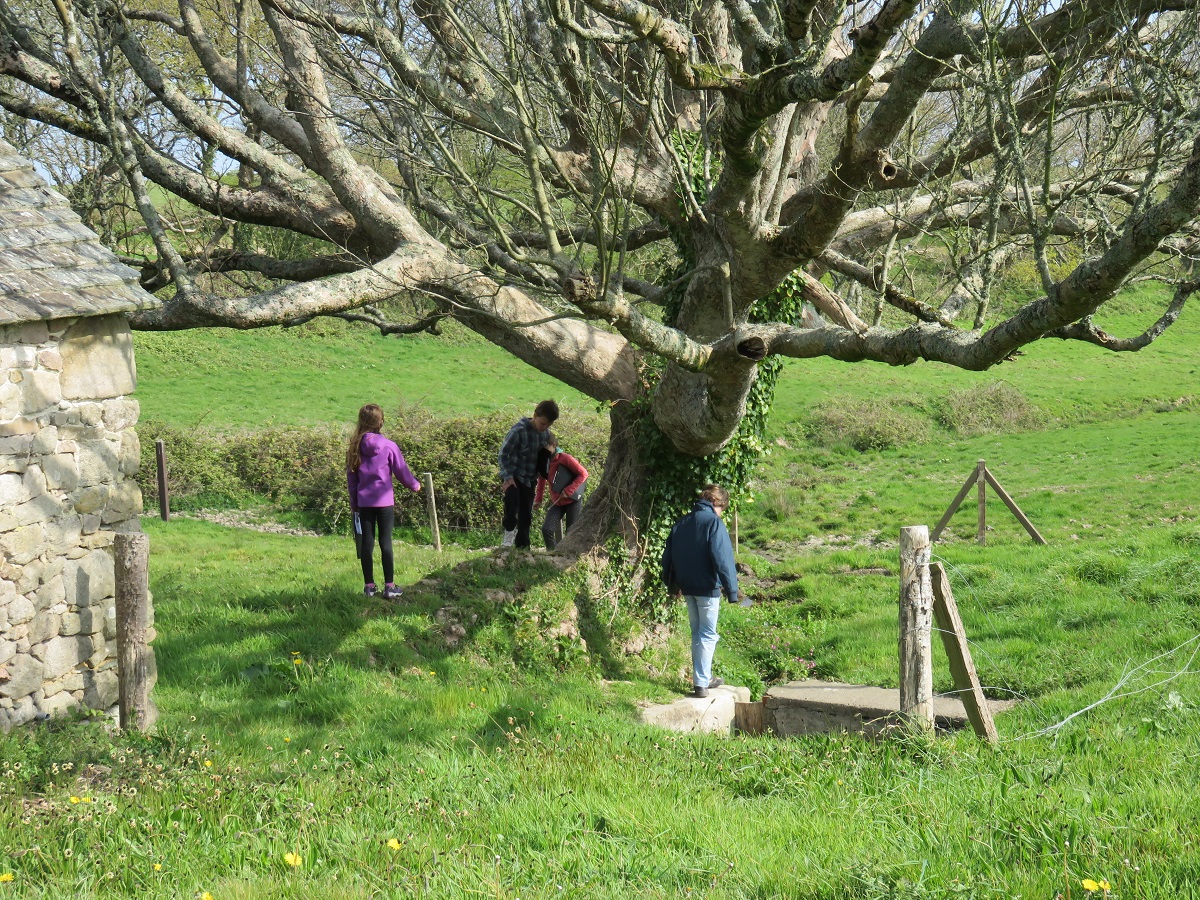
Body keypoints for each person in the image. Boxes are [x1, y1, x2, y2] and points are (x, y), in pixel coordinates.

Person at [661, 484, 739, 698]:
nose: (722, 512)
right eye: (723, 508)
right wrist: (733, 591)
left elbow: (668, 557)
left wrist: (673, 585)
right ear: (718, 503)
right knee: (707, 634)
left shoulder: (682, 522)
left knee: (697, 633)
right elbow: (722, 558)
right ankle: (702, 682)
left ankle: (702, 677)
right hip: (707, 587)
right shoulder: (714, 522)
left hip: (687, 588)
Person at [346, 403, 421, 599]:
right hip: (385, 502)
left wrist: (354, 503)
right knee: (385, 542)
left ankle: (369, 587)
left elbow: (352, 480)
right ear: (381, 421)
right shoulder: (389, 446)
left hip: (363, 503)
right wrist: (414, 485)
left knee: (366, 544)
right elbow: (402, 471)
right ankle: (390, 586)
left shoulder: (355, 447)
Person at [498, 399, 558, 549]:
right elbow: (503, 454)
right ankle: (508, 536)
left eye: (549, 425)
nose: (545, 427)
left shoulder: (545, 435)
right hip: (514, 476)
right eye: (543, 423)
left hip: (530, 480)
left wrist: (551, 449)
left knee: (526, 516)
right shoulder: (518, 431)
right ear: (535, 415)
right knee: (511, 507)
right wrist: (507, 476)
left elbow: (547, 454)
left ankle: (523, 548)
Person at [534, 433, 588, 550]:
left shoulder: (565, 458)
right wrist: (538, 500)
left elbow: (583, 473)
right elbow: (542, 480)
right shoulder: (544, 460)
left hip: (573, 500)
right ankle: (552, 555)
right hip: (557, 502)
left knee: (571, 532)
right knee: (547, 529)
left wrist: (568, 490)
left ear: (553, 445)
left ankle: (568, 556)